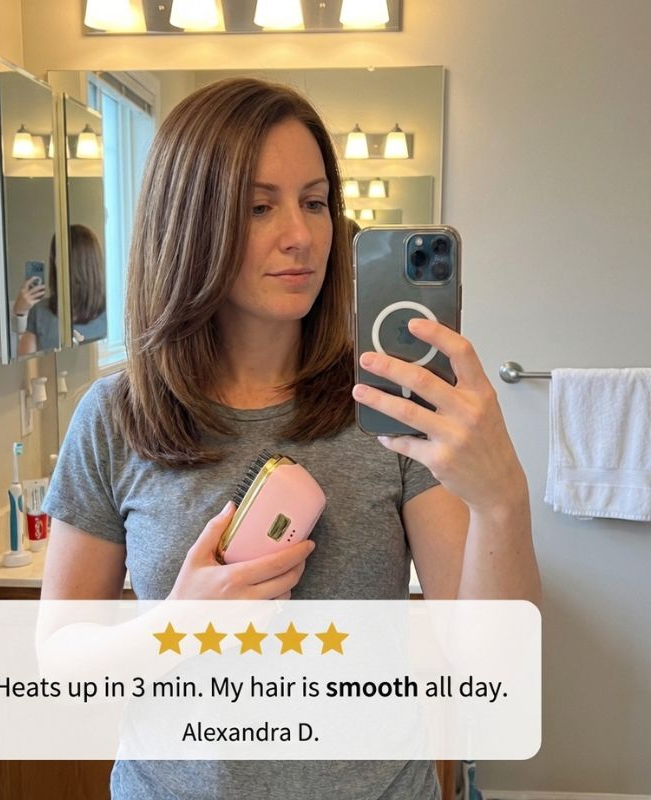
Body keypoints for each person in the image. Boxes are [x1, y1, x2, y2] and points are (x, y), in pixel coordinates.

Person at [41, 78, 540, 799]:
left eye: (314, 202)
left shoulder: (388, 404)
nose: (301, 236)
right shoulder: (115, 417)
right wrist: (180, 625)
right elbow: (58, 673)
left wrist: (503, 501)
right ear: (188, 224)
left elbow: (493, 674)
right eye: (258, 207)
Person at [14, 223, 107, 355]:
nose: (57, 263)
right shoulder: (39, 311)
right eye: (56, 257)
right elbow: (25, 362)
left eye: (63, 257)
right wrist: (20, 314)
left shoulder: (111, 311)